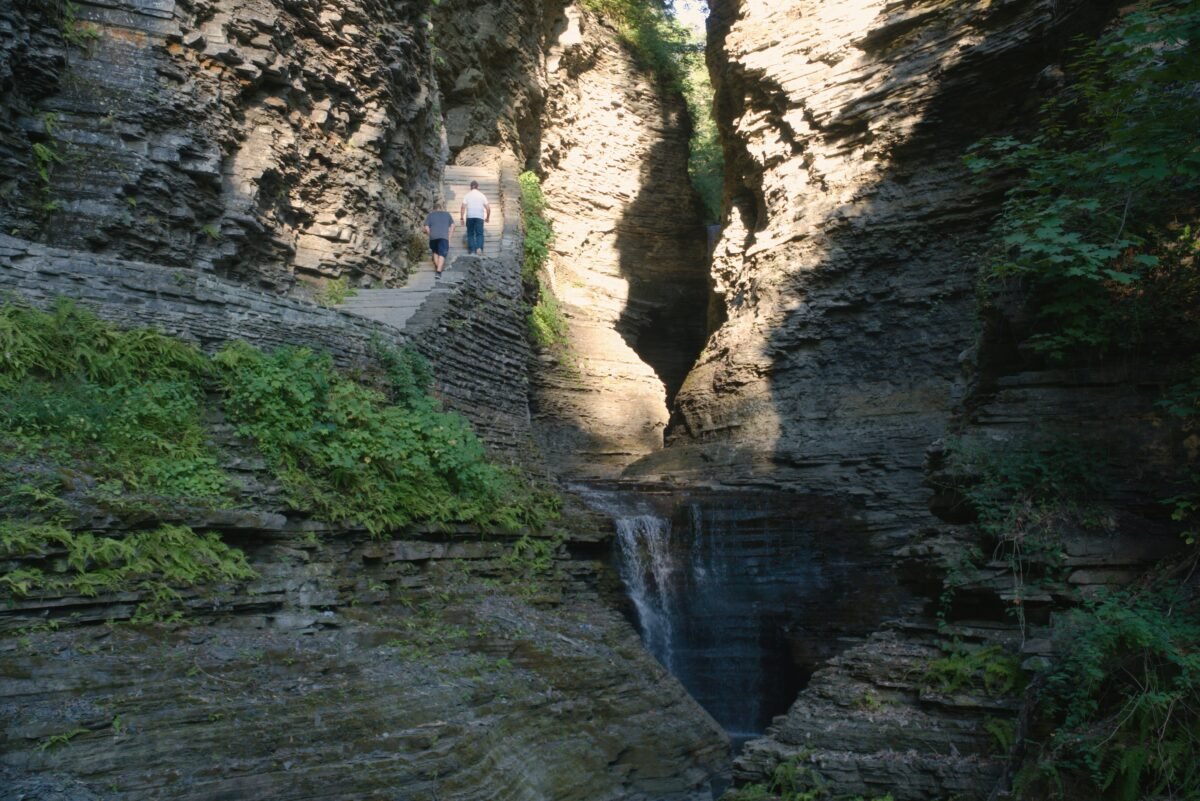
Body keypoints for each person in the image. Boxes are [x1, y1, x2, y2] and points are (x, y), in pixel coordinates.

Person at [423, 201, 455, 279]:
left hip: (433, 237)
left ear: (434, 209)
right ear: (441, 208)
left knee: (435, 251)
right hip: (444, 237)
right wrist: (449, 238)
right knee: (442, 254)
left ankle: (438, 267)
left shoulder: (430, 215)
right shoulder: (447, 214)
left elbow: (426, 227)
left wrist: (430, 235)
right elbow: (453, 225)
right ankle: (438, 272)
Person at [460, 180, 490, 255]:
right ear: (478, 187)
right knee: (479, 233)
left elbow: (463, 207)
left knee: (470, 233)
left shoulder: (467, 195)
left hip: (470, 216)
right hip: (479, 217)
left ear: (470, 187)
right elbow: (488, 208)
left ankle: (472, 250)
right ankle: (479, 247)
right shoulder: (482, 195)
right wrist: (487, 217)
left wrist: (461, 218)